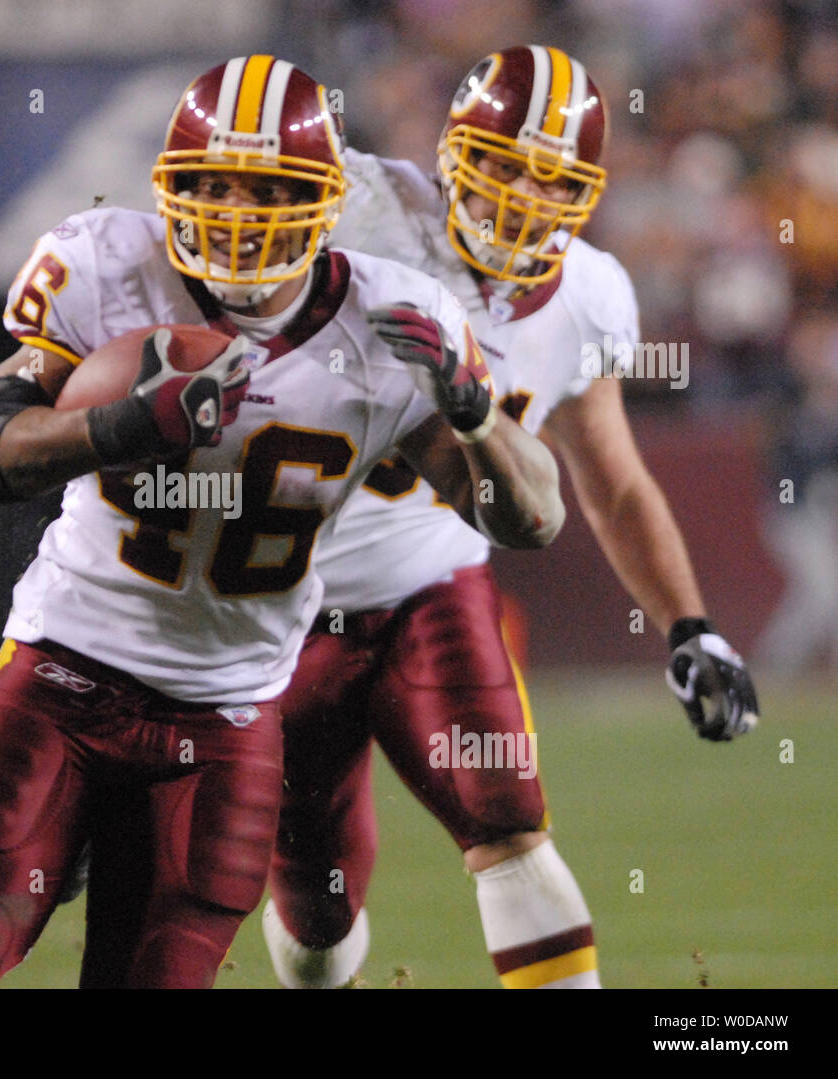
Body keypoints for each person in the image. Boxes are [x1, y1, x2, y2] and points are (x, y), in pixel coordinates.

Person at [0, 54, 565, 990]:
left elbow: (530, 517)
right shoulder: (109, 263)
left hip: (224, 716)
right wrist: (120, 426)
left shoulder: (394, 320)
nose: (240, 216)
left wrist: (478, 416)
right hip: (62, 665)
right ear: (171, 186)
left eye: (268, 189)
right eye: (214, 186)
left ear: (324, 200)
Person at [261, 45, 761, 989]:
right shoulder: (355, 209)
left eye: (546, 175)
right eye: (495, 161)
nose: (514, 192)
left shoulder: (591, 294)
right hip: (282, 605)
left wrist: (691, 627)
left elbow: (612, 480)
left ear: (585, 191)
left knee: (509, 818)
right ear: (451, 151)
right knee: (316, 908)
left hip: (432, 587)